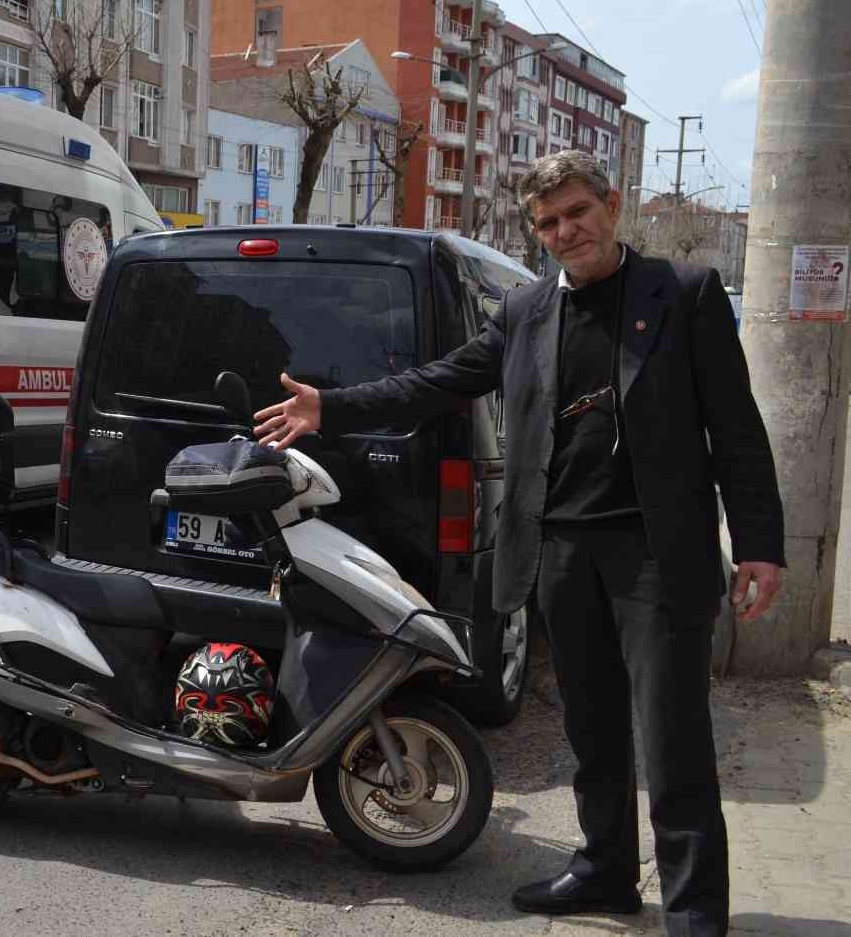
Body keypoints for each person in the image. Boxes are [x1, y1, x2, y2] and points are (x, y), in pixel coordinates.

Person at [253, 150, 783, 937]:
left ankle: (696, 906)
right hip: (560, 550)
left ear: (613, 203)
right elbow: (436, 383)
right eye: (548, 222)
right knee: (592, 727)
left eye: (577, 212)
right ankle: (605, 871)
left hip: (654, 554)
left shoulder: (684, 294)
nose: (566, 231)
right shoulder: (527, 311)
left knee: (673, 738)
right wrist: (331, 407)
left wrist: (761, 545)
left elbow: (735, 430)